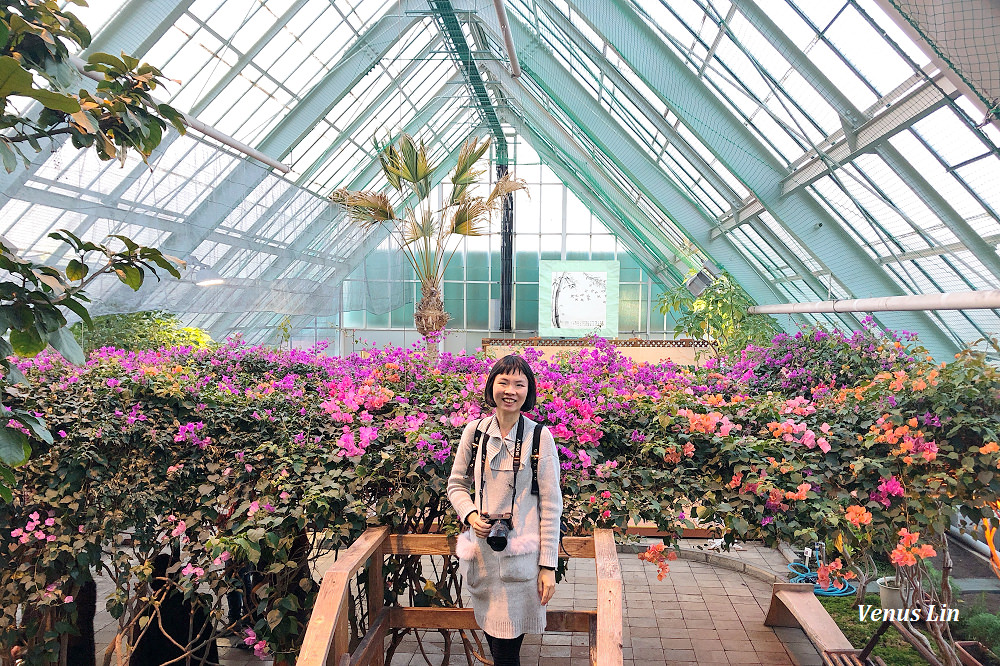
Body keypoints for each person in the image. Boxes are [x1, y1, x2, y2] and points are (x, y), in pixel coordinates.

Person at [447, 354, 563, 666]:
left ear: (529, 391)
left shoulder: (540, 437)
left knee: (507, 652)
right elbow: (456, 484)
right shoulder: (474, 432)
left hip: (522, 562)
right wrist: (472, 515)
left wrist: (548, 567)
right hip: (483, 559)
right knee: (497, 647)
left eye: (518, 384)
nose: (510, 390)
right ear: (492, 386)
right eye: (503, 382)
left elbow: (552, 506)